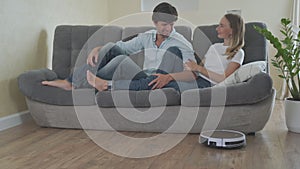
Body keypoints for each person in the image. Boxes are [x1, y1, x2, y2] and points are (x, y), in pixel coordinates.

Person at [41, 2, 196, 91]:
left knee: (119, 61)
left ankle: (81, 83)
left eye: (171, 24)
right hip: (141, 75)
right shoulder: (147, 37)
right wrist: (97, 49)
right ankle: (72, 82)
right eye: (164, 25)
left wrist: (169, 76)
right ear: (155, 23)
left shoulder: (181, 43)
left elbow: (193, 74)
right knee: (112, 49)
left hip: (157, 79)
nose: (168, 29)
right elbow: (119, 47)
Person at [108, 13, 245, 91]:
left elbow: (223, 78)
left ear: (232, 30)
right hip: (197, 80)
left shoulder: (238, 53)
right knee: (160, 78)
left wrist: (197, 68)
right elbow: (197, 70)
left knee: (159, 84)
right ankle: (114, 84)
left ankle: (110, 85)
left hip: (208, 86)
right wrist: (190, 68)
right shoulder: (214, 47)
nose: (217, 28)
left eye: (222, 26)